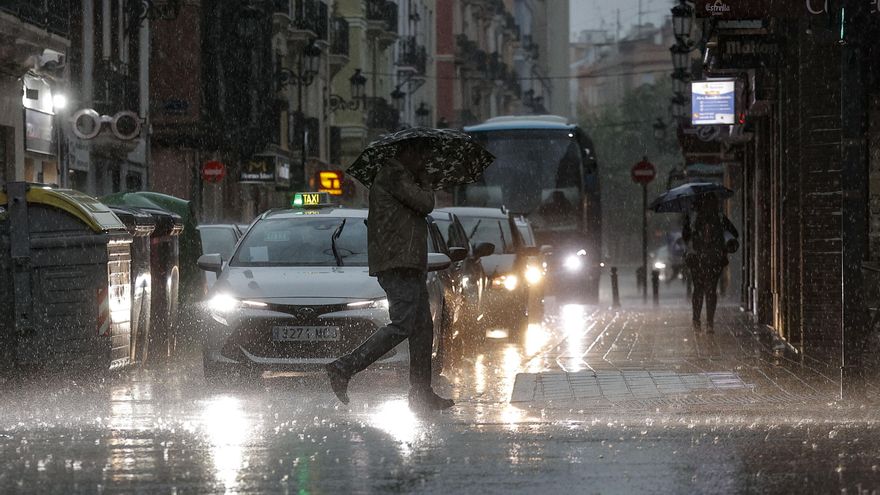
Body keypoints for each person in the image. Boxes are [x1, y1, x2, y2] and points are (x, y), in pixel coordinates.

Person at [325, 139, 455, 411]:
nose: (425, 163)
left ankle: (421, 393)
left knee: (422, 328)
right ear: (408, 153)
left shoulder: (401, 175)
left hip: (407, 262)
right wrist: (427, 182)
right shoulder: (395, 175)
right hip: (398, 263)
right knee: (403, 325)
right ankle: (344, 367)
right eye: (422, 157)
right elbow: (425, 203)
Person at [682, 194, 738, 333]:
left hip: (698, 258)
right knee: (710, 290)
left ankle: (697, 321)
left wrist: (687, 223)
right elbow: (734, 233)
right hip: (713, 259)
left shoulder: (694, 218)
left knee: (699, 289)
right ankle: (709, 323)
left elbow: (686, 237)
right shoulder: (718, 217)